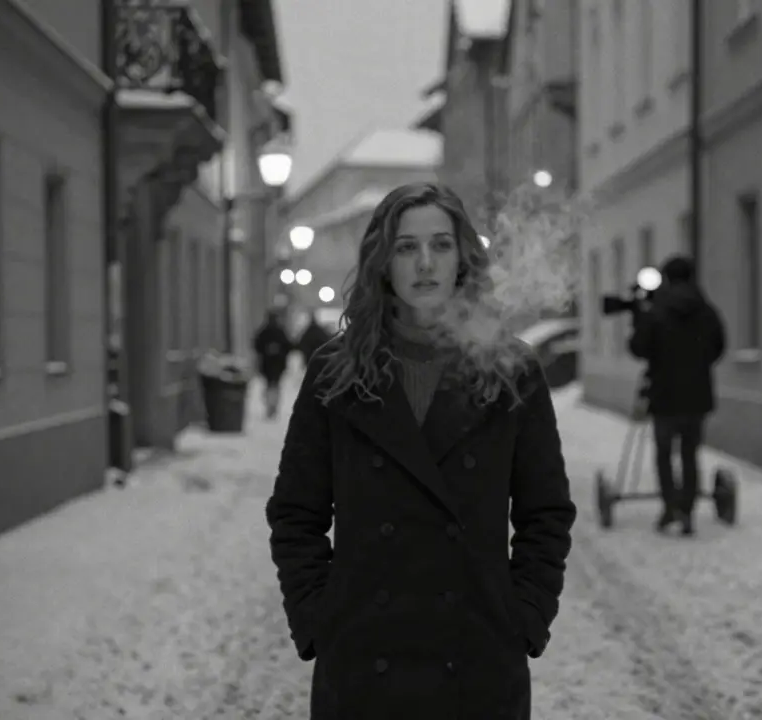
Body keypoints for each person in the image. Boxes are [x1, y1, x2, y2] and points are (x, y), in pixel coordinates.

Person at [265, 182, 577, 719]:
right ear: (383, 262)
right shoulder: (335, 372)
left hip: (477, 662)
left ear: (463, 259)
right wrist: (317, 617)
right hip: (364, 664)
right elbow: (297, 512)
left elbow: (545, 513)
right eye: (406, 247)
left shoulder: (511, 370)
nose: (425, 262)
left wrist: (525, 614)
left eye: (440, 244)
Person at [627, 254, 726, 537]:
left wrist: (638, 317)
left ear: (667, 279)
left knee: (663, 453)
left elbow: (638, 348)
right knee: (689, 453)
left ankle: (670, 505)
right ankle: (687, 510)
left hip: (664, 394)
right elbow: (718, 347)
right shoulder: (707, 311)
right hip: (697, 394)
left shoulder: (657, 311)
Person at [253, 310, 292, 418]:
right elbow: (289, 346)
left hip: (267, 363)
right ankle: (273, 405)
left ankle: (270, 405)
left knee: (269, 384)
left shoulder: (263, 332)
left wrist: (266, 350)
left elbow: (256, 345)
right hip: (278, 364)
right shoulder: (281, 332)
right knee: (275, 385)